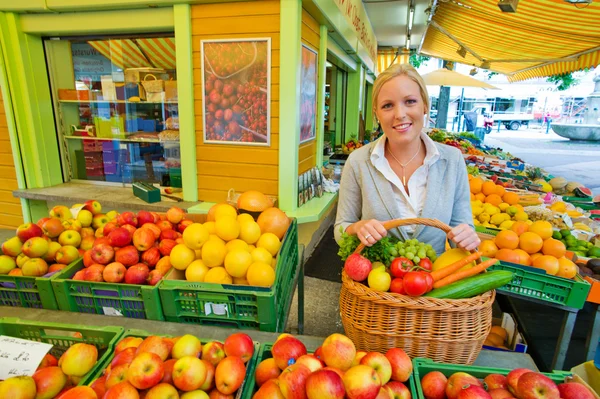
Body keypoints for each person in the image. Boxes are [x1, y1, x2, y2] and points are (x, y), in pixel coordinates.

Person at [334, 63, 480, 255]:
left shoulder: (452, 161)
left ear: (425, 106)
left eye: (410, 101)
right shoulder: (358, 161)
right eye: (387, 106)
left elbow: (462, 229)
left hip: (436, 279)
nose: (400, 114)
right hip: (373, 281)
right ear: (377, 113)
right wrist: (356, 228)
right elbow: (340, 228)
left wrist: (466, 238)